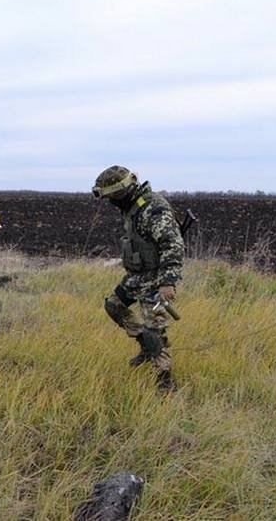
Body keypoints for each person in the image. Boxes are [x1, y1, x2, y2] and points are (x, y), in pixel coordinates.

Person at [92, 165, 185, 390]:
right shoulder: (132, 207)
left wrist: (168, 281)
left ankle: (165, 381)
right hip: (137, 277)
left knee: (156, 331)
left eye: (113, 197)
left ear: (123, 191)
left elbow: (172, 244)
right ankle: (145, 344)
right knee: (114, 306)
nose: (112, 202)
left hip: (156, 278)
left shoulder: (153, 209)